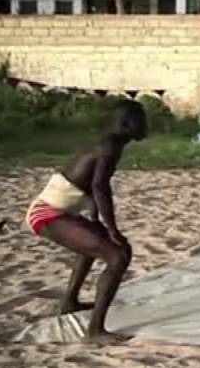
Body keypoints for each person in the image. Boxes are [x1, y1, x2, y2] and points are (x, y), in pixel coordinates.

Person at [25, 101, 148, 342]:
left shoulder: (109, 142)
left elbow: (88, 184)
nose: (146, 126)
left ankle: (69, 302)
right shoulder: (109, 146)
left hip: (60, 211)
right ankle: (94, 331)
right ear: (126, 125)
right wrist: (112, 229)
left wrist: (95, 219)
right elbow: (100, 187)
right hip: (47, 213)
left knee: (96, 244)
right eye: (141, 121)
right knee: (118, 255)